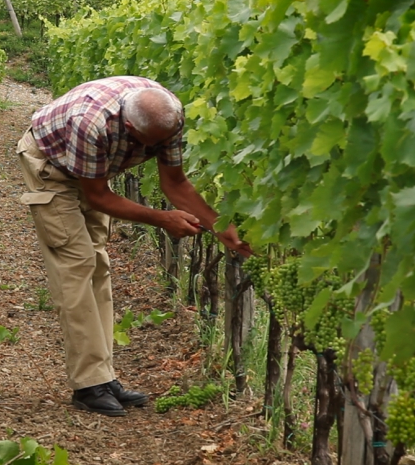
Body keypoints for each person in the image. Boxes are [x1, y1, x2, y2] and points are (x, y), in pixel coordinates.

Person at [16, 76, 252, 417]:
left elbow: (175, 183)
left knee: (98, 265)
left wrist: (223, 229)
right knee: (76, 265)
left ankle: (103, 376)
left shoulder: (168, 116)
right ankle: (88, 385)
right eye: (147, 144)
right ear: (128, 127)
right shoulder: (91, 123)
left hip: (94, 167)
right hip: (51, 165)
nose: (154, 149)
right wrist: (162, 218)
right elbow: (99, 196)